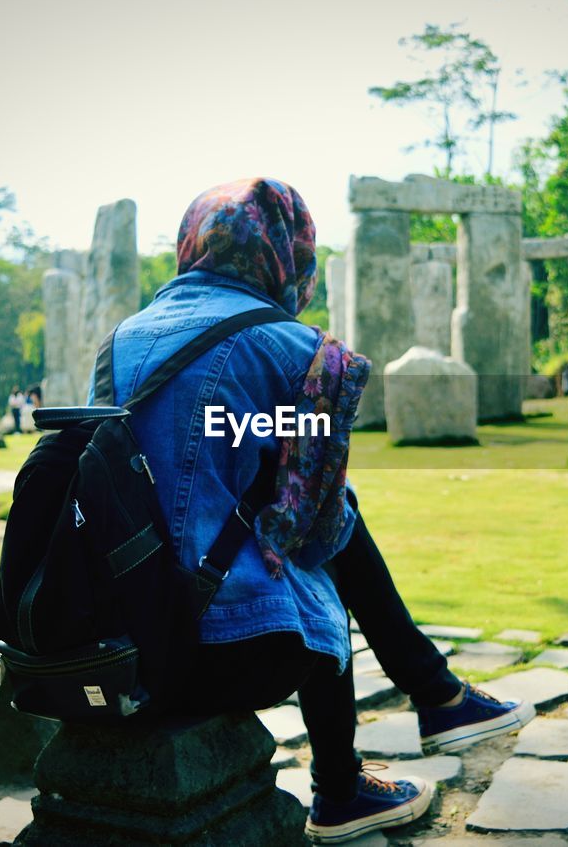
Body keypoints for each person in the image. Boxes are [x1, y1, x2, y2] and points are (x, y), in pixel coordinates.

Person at [90, 178, 534, 844]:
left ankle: (433, 695)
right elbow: (321, 529)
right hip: (227, 652)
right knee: (320, 537)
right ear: (286, 250)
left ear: (192, 242)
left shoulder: (118, 344)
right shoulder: (296, 351)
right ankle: (368, 757)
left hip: (113, 647)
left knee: (297, 518)